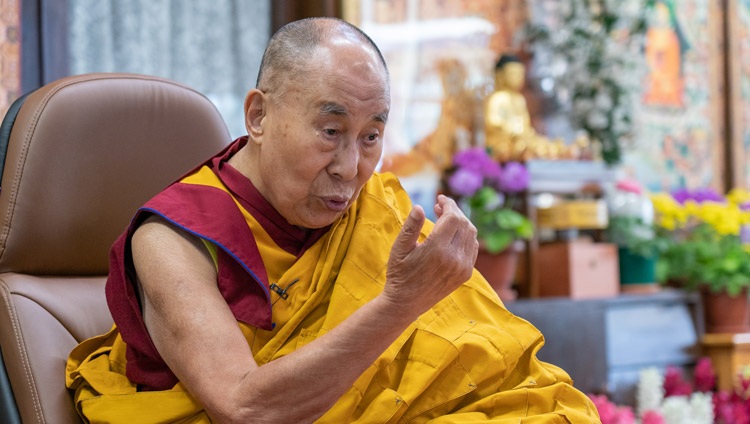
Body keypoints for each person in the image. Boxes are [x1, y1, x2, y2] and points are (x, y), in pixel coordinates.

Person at [66, 18, 601, 423]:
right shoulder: (174, 237)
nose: (351, 169)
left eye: (371, 137)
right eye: (330, 131)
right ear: (258, 115)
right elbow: (242, 407)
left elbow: (488, 372)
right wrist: (400, 303)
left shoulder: (378, 214)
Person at [485, 54, 572, 162]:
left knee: (540, 143)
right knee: (523, 148)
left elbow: (525, 125)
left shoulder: (519, 99)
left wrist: (527, 135)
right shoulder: (499, 98)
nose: (517, 77)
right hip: (507, 142)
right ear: (501, 75)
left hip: (522, 138)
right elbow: (495, 122)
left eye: (520, 74)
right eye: (513, 74)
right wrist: (515, 132)